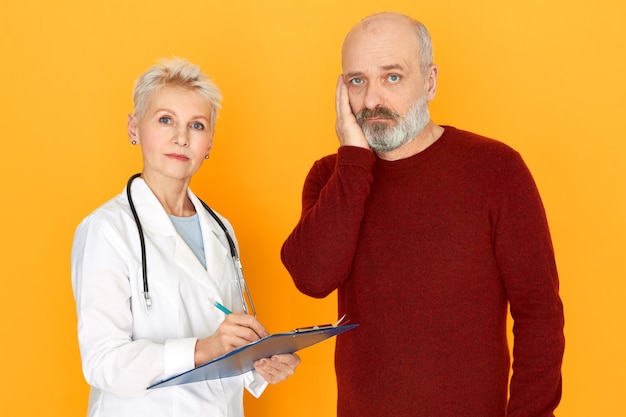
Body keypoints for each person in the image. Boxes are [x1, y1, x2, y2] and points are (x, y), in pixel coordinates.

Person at [281, 12, 564, 417]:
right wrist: (354, 159)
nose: (373, 100)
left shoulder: (497, 169)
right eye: (357, 81)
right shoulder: (334, 176)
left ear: (429, 82)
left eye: (392, 77)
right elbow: (312, 277)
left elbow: (539, 313)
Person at [71, 58, 300, 417]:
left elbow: (227, 339)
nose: (181, 137)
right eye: (165, 120)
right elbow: (104, 363)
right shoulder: (106, 229)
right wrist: (203, 349)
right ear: (134, 128)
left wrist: (261, 363)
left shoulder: (221, 229)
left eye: (197, 125)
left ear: (209, 143)